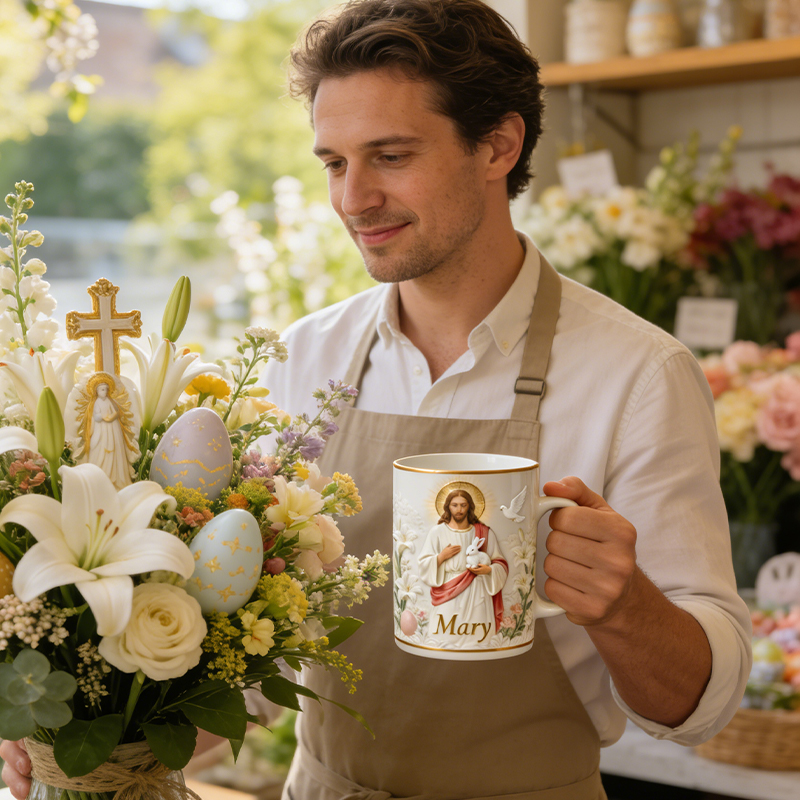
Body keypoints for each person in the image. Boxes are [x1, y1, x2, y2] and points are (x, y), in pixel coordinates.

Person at [1, 2, 751, 799]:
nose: (353, 199)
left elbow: (702, 707)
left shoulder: (638, 374)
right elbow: (249, 673)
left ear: (499, 145)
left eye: (390, 156)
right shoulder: (304, 358)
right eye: (334, 162)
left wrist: (625, 607)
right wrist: (99, 732)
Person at [418, 488, 508, 645]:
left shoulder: (484, 533)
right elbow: (423, 564)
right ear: (447, 507)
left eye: (463, 505)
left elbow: (499, 561)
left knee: (479, 638)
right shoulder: (437, 532)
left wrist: (489, 570)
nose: (459, 509)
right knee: (442, 635)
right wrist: (440, 557)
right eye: (454, 505)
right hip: (448, 588)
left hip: (478, 590)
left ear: (470, 507)